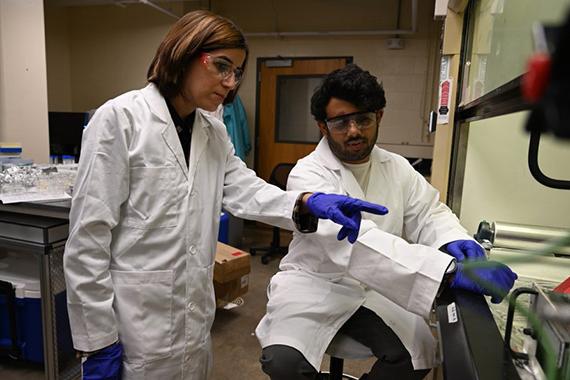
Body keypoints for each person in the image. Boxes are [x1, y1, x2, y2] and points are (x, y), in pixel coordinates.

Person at [63, 14, 388, 380]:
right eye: (221, 66)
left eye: (236, 72)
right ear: (184, 52)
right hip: (133, 318)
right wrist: (97, 340)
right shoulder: (120, 120)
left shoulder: (212, 132)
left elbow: (244, 190)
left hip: (192, 316)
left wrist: (305, 202)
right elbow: (88, 238)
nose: (230, 82)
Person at [255, 64, 518, 380]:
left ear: (378, 116)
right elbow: (354, 243)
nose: (354, 131)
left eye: (363, 119)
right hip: (315, 282)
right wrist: (447, 274)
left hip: (377, 286)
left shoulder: (398, 168)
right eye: (340, 122)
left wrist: (453, 240)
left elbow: (429, 214)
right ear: (322, 127)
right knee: (283, 362)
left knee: (416, 357)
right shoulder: (308, 173)